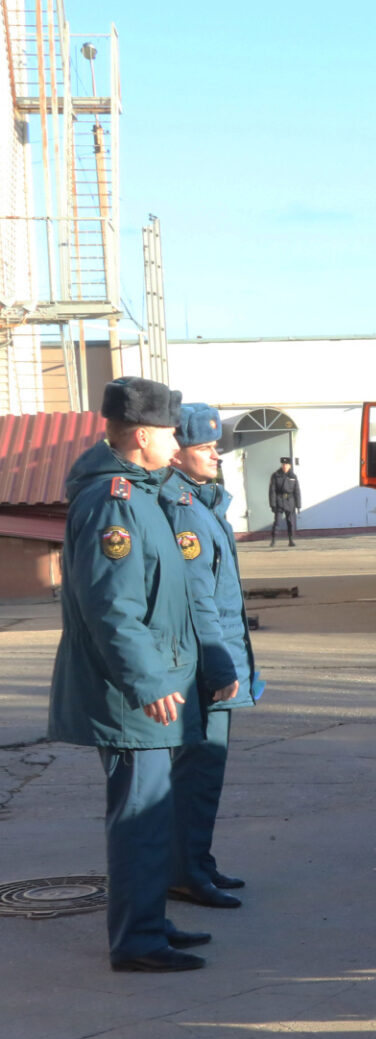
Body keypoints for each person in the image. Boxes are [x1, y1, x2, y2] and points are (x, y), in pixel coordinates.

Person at [48, 377, 236, 972]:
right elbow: (113, 608)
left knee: (153, 814)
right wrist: (151, 682)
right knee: (140, 819)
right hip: (136, 693)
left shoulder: (142, 491)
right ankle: (136, 940)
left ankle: (150, 919)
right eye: (170, 433)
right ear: (141, 436)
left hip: (159, 680)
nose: (178, 443)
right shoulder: (116, 500)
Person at [160, 403, 263, 911]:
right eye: (205, 447)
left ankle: (197, 862)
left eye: (215, 445)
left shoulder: (201, 502)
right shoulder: (184, 509)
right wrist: (221, 668)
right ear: (177, 452)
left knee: (207, 772)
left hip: (214, 657)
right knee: (197, 774)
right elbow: (198, 597)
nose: (216, 455)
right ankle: (183, 872)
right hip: (203, 665)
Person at [268, 457, 301, 547]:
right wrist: (273, 504)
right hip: (279, 501)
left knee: (290, 522)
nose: (284, 466)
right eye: (283, 464)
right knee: (277, 522)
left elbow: (297, 491)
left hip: (290, 501)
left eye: (286, 464)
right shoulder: (276, 475)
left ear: (290, 465)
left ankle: (291, 540)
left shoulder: (293, 476)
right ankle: (273, 540)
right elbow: (272, 491)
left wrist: (298, 505)